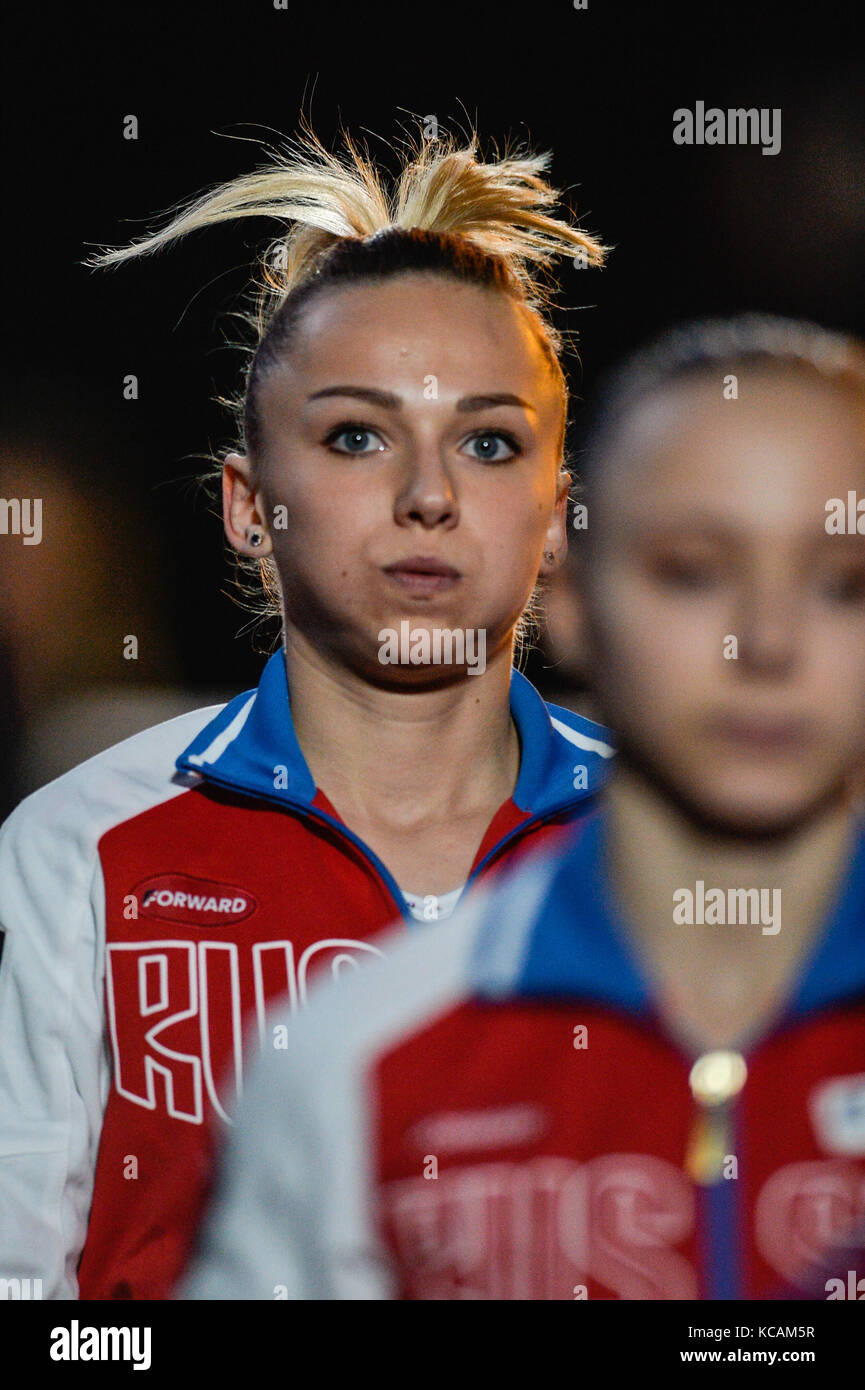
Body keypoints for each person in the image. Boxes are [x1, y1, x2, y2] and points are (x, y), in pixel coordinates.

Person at [0, 120, 613, 1299]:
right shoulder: (80, 847)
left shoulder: (683, 843)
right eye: (355, 435)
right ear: (246, 506)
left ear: (554, 518)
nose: (427, 494)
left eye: (488, 441)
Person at [181, 314, 865, 1300]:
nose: (763, 644)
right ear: (574, 598)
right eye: (691, 570)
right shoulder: (356, 1058)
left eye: (842, 583)